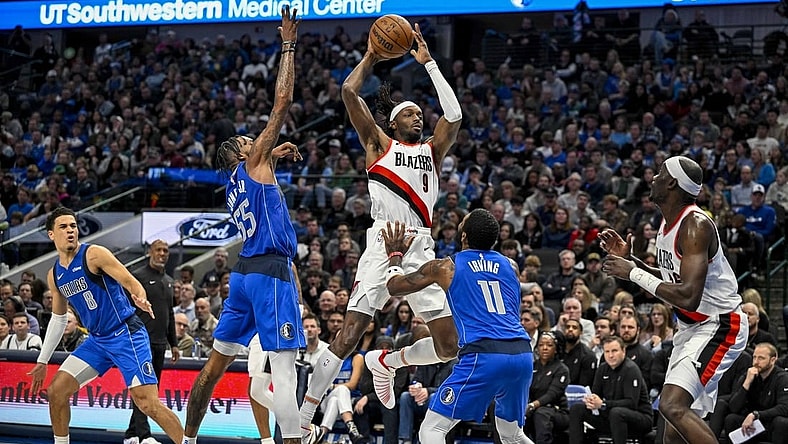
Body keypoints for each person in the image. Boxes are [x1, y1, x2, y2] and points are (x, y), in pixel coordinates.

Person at [299, 20, 463, 443]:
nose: (418, 117)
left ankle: (389, 361)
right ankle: (305, 414)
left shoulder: (432, 151)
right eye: (409, 113)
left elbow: (455, 114)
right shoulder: (379, 145)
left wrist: (428, 64)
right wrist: (372, 55)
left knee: (448, 345)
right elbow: (349, 93)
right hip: (381, 243)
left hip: (420, 247)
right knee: (349, 333)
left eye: (419, 114)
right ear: (392, 123)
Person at [183, 8, 304, 444]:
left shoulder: (237, 181)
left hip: (243, 275)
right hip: (270, 272)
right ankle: (294, 439)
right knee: (285, 368)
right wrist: (288, 45)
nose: (255, 140)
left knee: (214, 366)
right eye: (248, 142)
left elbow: (263, 158)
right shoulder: (252, 161)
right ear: (238, 153)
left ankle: (189, 439)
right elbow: (283, 103)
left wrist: (271, 155)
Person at [600, 155, 747, 444]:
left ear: (671, 183)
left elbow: (689, 296)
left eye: (659, 173)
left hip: (719, 325)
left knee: (671, 405)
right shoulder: (667, 224)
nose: (653, 177)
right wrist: (632, 262)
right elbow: (672, 280)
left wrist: (633, 275)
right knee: (672, 433)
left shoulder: (695, 225)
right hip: (692, 327)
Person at [28, 207, 184, 444]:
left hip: (125, 333)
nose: (70, 230)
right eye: (63, 227)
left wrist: (139, 296)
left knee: (147, 403)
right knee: (56, 391)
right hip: (97, 340)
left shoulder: (94, 255)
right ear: (51, 234)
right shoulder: (55, 274)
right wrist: (42, 360)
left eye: (73, 225)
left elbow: (130, 282)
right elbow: (59, 319)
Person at [381, 211, 534, 443]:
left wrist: (395, 254)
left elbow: (395, 287)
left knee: (431, 430)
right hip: (522, 354)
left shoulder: (445, 267)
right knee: (512, 434)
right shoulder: (511, 266)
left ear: (463, 236)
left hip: (484, 356)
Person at [124, 239, 179, 444]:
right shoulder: (137, 277)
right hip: (140, 342)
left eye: (166, 250)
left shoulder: (168, 280)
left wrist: (173, 343)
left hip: (159, 343)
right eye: (159, 250)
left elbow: (170, 314)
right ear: (150, 252)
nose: (162, 253)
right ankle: (144, 435)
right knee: (143, 390)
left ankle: (131, 433)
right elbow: (127, 311)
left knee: (150, 392)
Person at [568, 336, 653, 444]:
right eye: (607, 351)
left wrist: (603, 404)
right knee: (577, 409)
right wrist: (591, 401)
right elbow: (596, 395)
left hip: (640, 417)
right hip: (611, 415)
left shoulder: (631, 369)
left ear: (623, 351)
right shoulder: (602, 369)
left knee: (616, 412)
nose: (610, 355)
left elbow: (631, 403)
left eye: (614, 351)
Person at [724, 343, 788, 443]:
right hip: (753, 425)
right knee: (731, 419)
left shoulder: (782, 377)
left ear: (773, 360)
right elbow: (734, 407)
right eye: (754, 357)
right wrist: (747, 383)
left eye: (761, 358)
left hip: (770, 423)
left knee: (781, 422)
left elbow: (784, 408)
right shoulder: (749, 375)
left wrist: (756, 415)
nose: (756, 362)